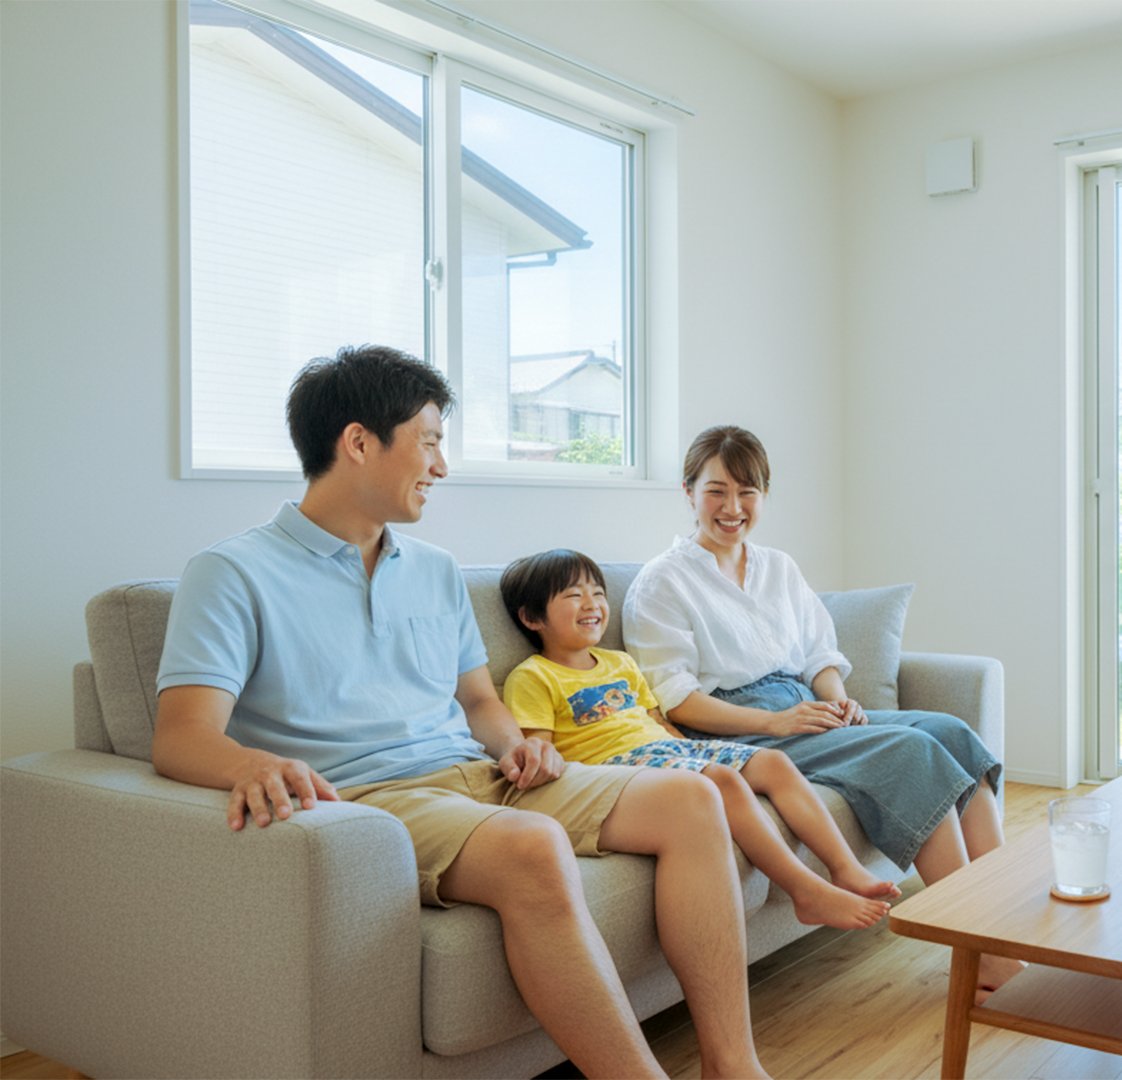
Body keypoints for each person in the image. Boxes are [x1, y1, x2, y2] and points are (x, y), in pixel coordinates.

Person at [150, 346, 776, 1080]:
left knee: (693, 799)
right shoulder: (231, 573)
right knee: (533, 846)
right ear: (358, 442)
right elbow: (181, 736)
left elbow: (478, 699)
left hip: (480, 775)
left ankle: (733, 1067)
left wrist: (518, 745)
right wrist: (255, 763)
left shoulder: (437, 570)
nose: (441, 467)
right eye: (430, 441)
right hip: (371, 800)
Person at [623, 425, 1023, 1001]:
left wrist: (834, 694)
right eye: (716, 491)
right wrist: (774, 724)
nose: (732, 508)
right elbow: (678, 701)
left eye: (747, 492)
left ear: (763, 495)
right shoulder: (661, 582)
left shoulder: (778, 568)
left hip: (802, 707)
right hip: (738, 726)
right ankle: (979, 952)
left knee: (952, 732)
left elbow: (818, 653)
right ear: (688, 492)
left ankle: (1006, 925)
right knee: (912, 752)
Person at [499, 547, 898, 931]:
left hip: (666, 748)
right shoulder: (533, 676)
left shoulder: (620, 662)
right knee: (722, 779)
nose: (592, 604)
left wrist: (692, 752)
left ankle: (846, 868)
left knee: (773, 762)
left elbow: (657, 720)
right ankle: (805, 891)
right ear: (533, 617)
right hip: (611, 767)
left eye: (598, 593)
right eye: (574, 596)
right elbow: (542, 751)